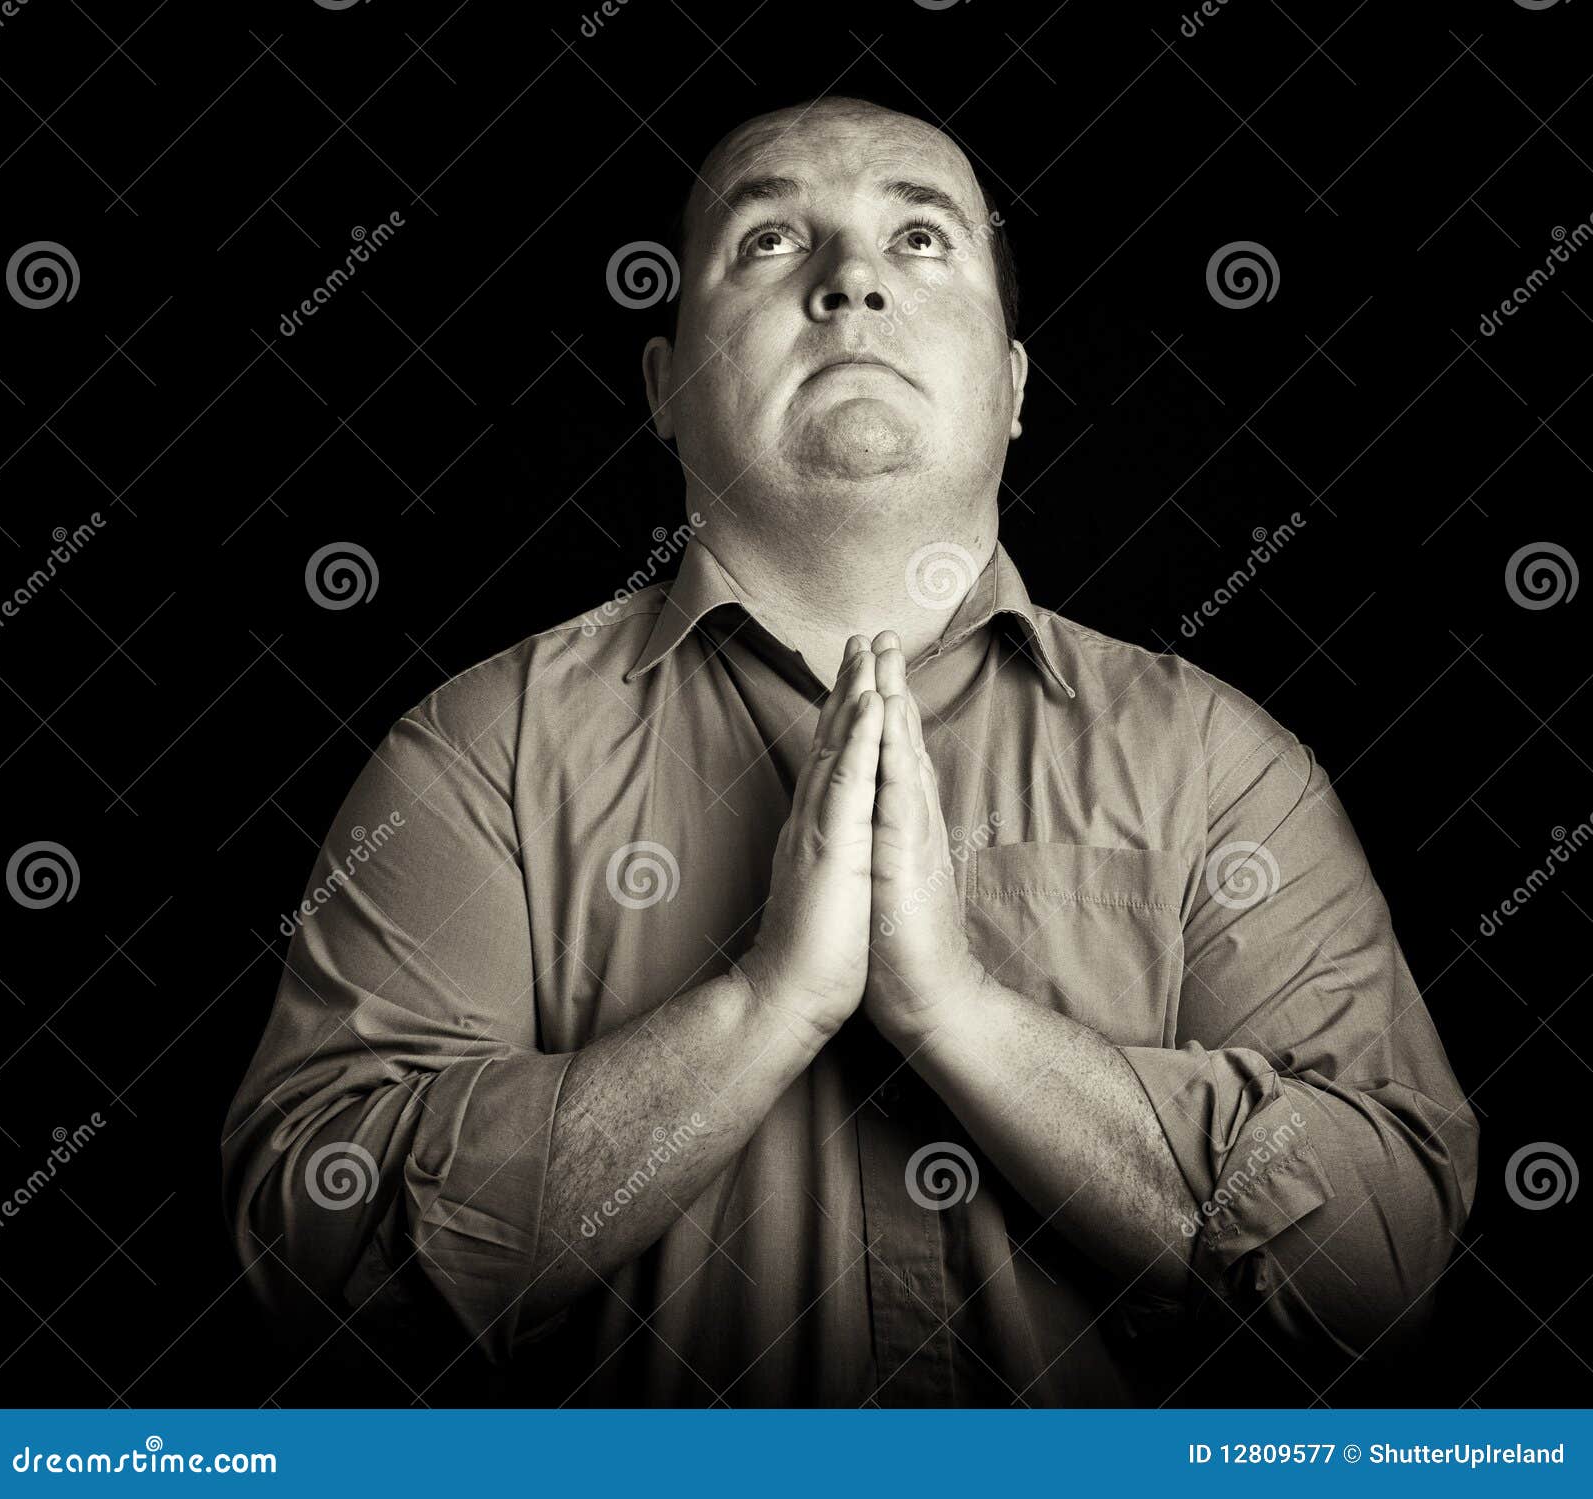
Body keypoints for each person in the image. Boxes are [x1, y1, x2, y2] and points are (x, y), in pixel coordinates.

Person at [223, 96, 1477, 1407]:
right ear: (664, 386)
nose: (853, 280)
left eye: (923, 240)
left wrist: (963, 1021)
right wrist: (764, 1011)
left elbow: (1381, 1280)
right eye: (769, 241)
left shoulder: (1227, 767)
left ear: (1013, 386)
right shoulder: (477, 755)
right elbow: (319, 1277)